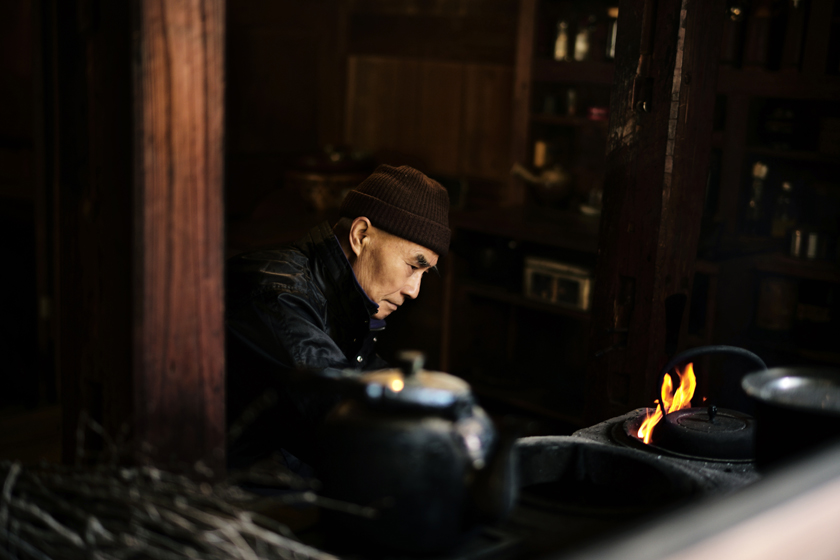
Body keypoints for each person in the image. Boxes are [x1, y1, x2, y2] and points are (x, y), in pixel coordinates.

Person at [225, 164, 450, 473]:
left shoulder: (349, 305)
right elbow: (341, 419)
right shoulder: (277, 297)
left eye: (425, 274)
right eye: (413, 266)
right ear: (360, 236)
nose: (414, 291)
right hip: (234, 501)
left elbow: (367, 380)